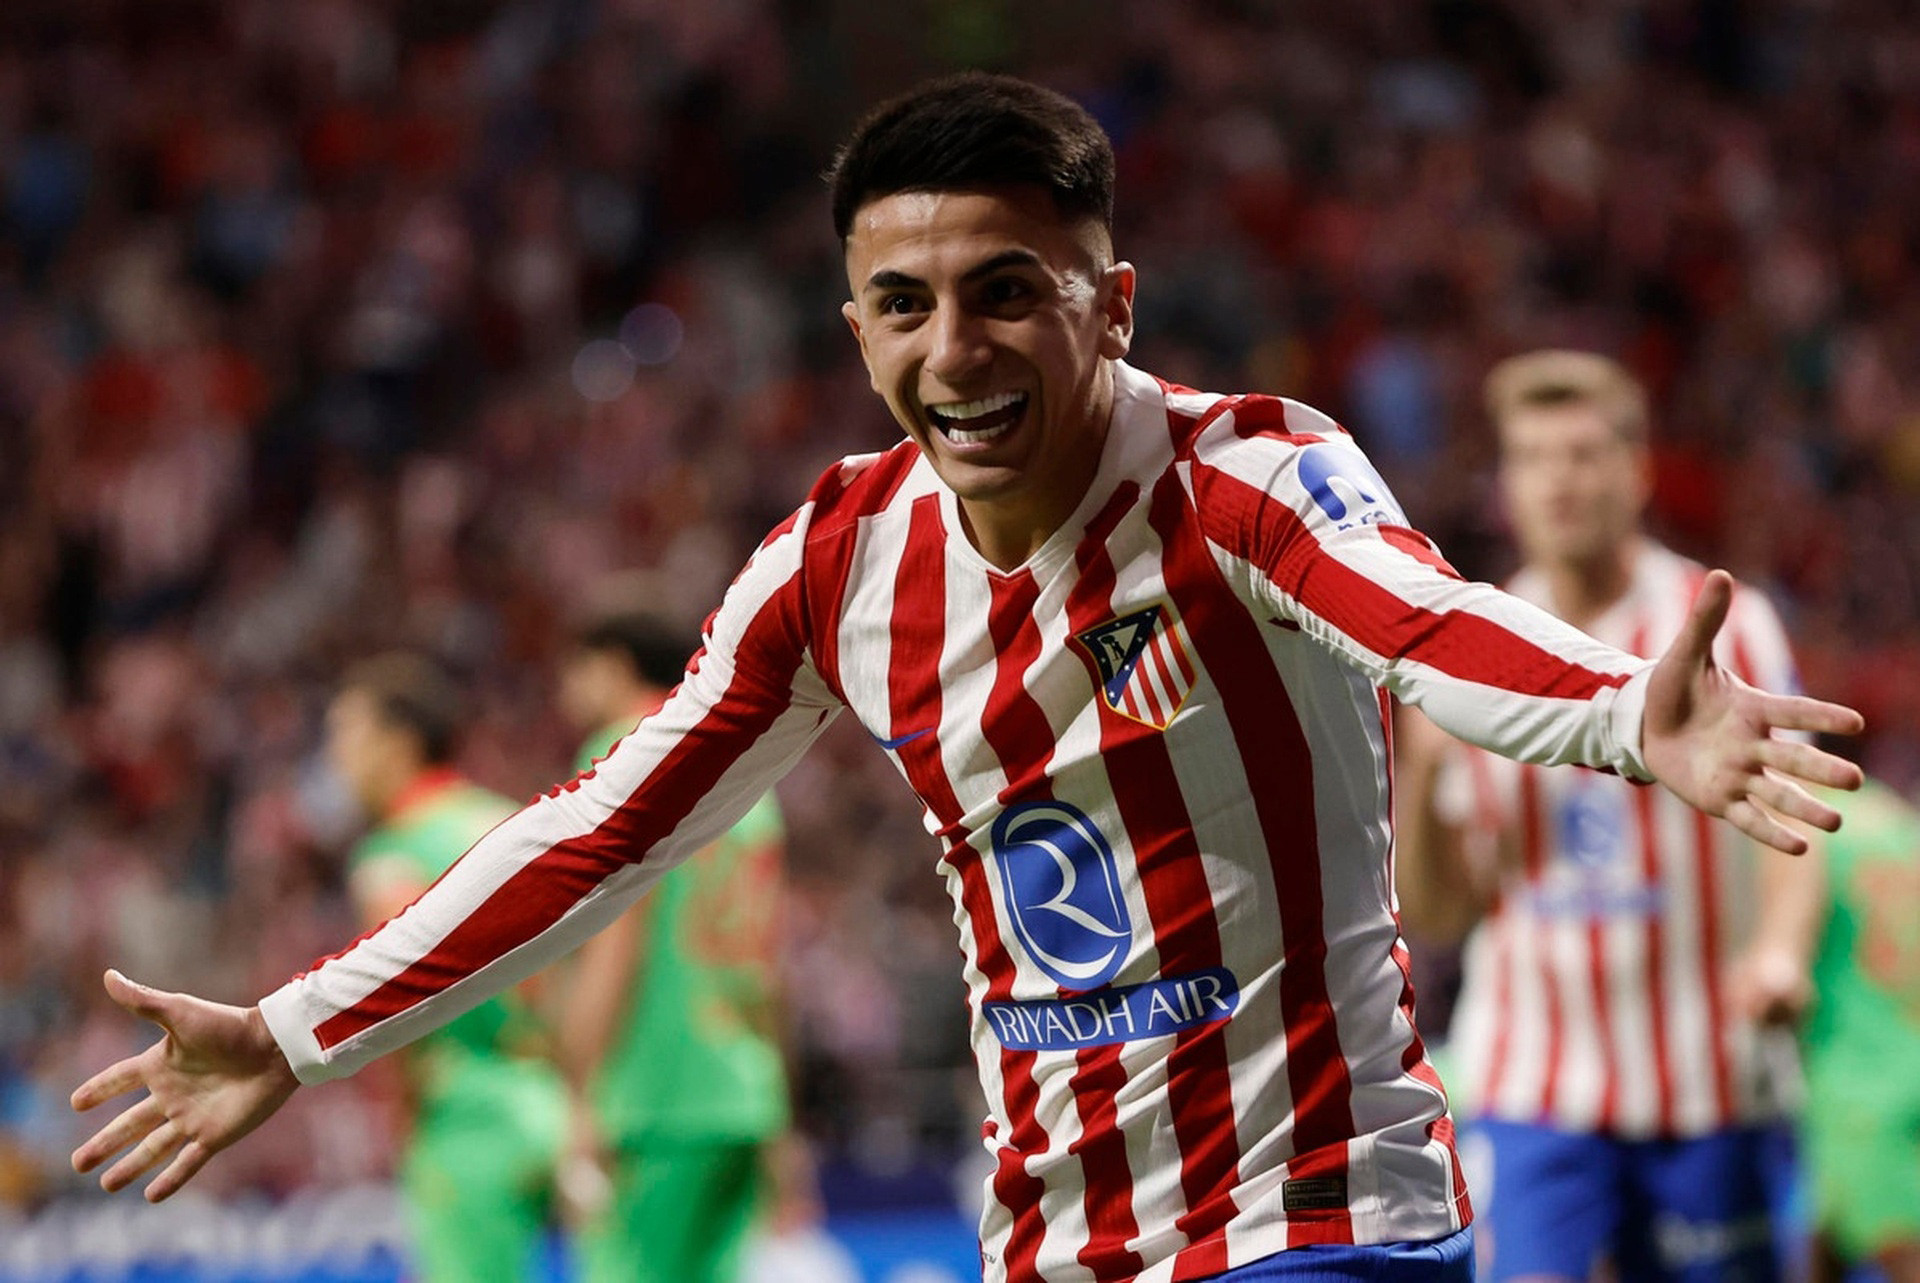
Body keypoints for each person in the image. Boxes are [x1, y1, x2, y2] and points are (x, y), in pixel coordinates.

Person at [69, 73, 1863, 1283]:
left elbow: (1427, 619)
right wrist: (300, 1028)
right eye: (905, 304)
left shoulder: (1246, 473)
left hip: (1316, 1217)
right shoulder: (838, 564)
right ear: (854, 325)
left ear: (1112, 302)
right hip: (1052, 1241)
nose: (956, 348)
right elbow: (603, 826)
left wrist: (1627, 712)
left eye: (1009, 291)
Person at [1391, 350, 1826, 1283]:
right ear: (1506, 485)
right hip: (1536, 1087)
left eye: (1584, 454)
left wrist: (1782, 953)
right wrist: (1420, 778)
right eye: (1533, 457)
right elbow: (1440, 913)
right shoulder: (1474, 646)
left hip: (1710, 1078)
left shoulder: (1727, 625)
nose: (1560, 480)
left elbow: (1793, 823)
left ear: (1638, 472)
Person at [555, 607, 791, 1283]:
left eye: (575, 668)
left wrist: (578, 1093)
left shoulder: (622, 753)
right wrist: (784, 1112)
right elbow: (772, 964)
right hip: (744, 1094)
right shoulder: (744, 764)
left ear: (612, 665)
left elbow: (614, 941)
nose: (564, 688)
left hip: (656, 1098)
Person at [321, 653, 567, 1283]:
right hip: (552, 1098)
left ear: (399, 742)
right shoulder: (506, 820)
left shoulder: (391, 856)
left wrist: (402, 1119)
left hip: (463, 1118)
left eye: (347, 734)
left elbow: (396, 1011)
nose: (335, 757)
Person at [1797, 768, 1920, 1283]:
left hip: (1854, 1080)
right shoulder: (1894, 819)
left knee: (1900, 1250)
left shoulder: (1797, 829)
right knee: (1824, 1238)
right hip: (1902, 1056)